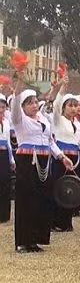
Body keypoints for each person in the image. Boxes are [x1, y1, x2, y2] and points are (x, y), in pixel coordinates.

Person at [11, 70, 73, 253]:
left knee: (41, 201)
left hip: (44, 162)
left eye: (35, 102)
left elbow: (50, 142)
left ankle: (36, 239)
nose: (34, 105)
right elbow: (14, 104)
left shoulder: (44, 120)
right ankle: (23, 241)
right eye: (29, 103)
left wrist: (62, 156)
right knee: (26, 200)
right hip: (27, 162)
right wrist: (19, 84)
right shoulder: (19, 120)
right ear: (23, 107)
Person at [51, 75, 80, 232]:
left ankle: (67, 221)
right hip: (61, 159)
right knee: (59, 189)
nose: (73, 108)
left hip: (75, 159)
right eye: (70, 105)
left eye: (76, 105)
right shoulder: (57, 120)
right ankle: (55, 221)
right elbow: (55, 106)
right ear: (64, 107)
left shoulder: (78, 124)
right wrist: (62, 89)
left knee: (71, 190)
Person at [0, 94, 15, 223]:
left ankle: (4, 214)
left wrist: (11, 160)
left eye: (3, 107)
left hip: (4, 155)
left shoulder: (6, 122)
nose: (1, 109)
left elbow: (8, 142)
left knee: (5, 183)